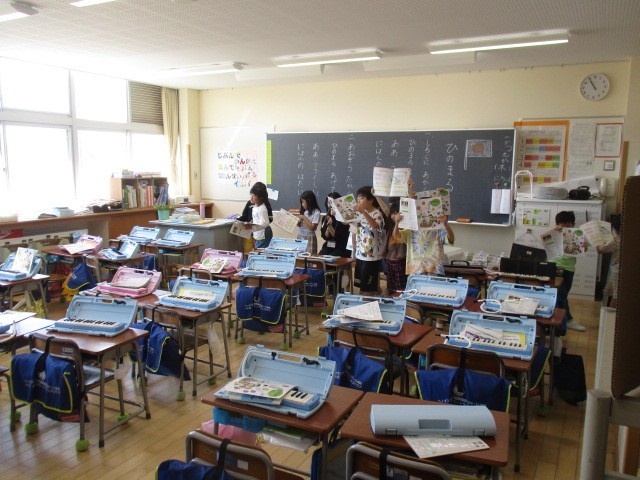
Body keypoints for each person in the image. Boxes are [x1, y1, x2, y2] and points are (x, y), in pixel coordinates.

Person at [393, 205, 454, 276]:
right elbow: (396, 236)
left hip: (434, 271)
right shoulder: (410, 229)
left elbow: (451, 239)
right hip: (415, 270)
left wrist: (446, 224)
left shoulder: (437, 229)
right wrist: (397, 223)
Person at [551, 211, 586, 332]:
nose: (566, 228)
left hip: (570, 269)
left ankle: (560, 320)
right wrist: (554, 230)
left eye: (569, 225)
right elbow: (545, 241)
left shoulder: (576, 234)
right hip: (556, 267)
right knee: (561, 296)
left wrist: (584, 244)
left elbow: (583, 250)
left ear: (573, 225)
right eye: (563, 225)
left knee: (563, 295)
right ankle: (568, 321)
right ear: (557, 225)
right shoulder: (553, 234)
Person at [354, 186, 386, 296]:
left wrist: (363, 212)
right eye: (357, 199)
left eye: (362, 198)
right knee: (364, 285)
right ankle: (380, 296)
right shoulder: (359, 213)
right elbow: (348, 223)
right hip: (360, 253)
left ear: (371, 200)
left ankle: (371, 302)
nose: (359, 201)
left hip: (371, 256)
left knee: (368, 289)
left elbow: (374, 225)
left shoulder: (377, 213)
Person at [238, 182, 273, 252]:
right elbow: (255, 219)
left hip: (263, 233)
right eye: (251, 194)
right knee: (257, 250)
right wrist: (248, 223)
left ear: (261, 197)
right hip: (258, 233)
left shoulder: (262, 209)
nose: (251, 197)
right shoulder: (256, 206)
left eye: (254, 195)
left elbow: (264, 224)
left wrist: (251, 227)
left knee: (260, 253)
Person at [596, 213, 621, 308]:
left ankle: (610, 315)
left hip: (617, 271)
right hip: (622, 270)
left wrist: (596, 239)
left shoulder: (616, 240)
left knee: (615, 297)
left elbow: (600, 250)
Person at [383, 198, 407, 294]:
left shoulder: (405, 227)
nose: (395, 216)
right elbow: (385, 210)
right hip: (389, 260)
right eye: (393, 213)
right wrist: (377, 197)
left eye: (398, 213)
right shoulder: (390, 225)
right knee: (391, 286)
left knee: (400, 287)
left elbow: (397, 236)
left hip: (400, 261)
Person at [318, 192, 350, 257]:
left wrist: (330, 226)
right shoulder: (326, 217)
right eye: (328, 202)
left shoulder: (344, 219)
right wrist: (328, 227)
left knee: (330, 258)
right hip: (329, 246)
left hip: (341, 247)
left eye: (332, 202)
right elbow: (325, 236)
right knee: (320, 257)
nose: (330, 205)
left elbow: (339, 238)